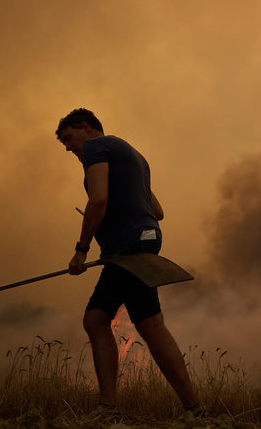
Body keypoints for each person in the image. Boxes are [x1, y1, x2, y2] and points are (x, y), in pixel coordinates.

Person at [55, 108, 203, 420]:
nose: (69, 148)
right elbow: (157, 210)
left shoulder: (97, 148)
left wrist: (81, 250)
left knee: (103, 320)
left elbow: (97, 200)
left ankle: (108, 409)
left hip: (126, 247)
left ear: (85, 126)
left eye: (69, 139)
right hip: (145, 238)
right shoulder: (133, 155)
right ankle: (194, 410)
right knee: (138, 324)